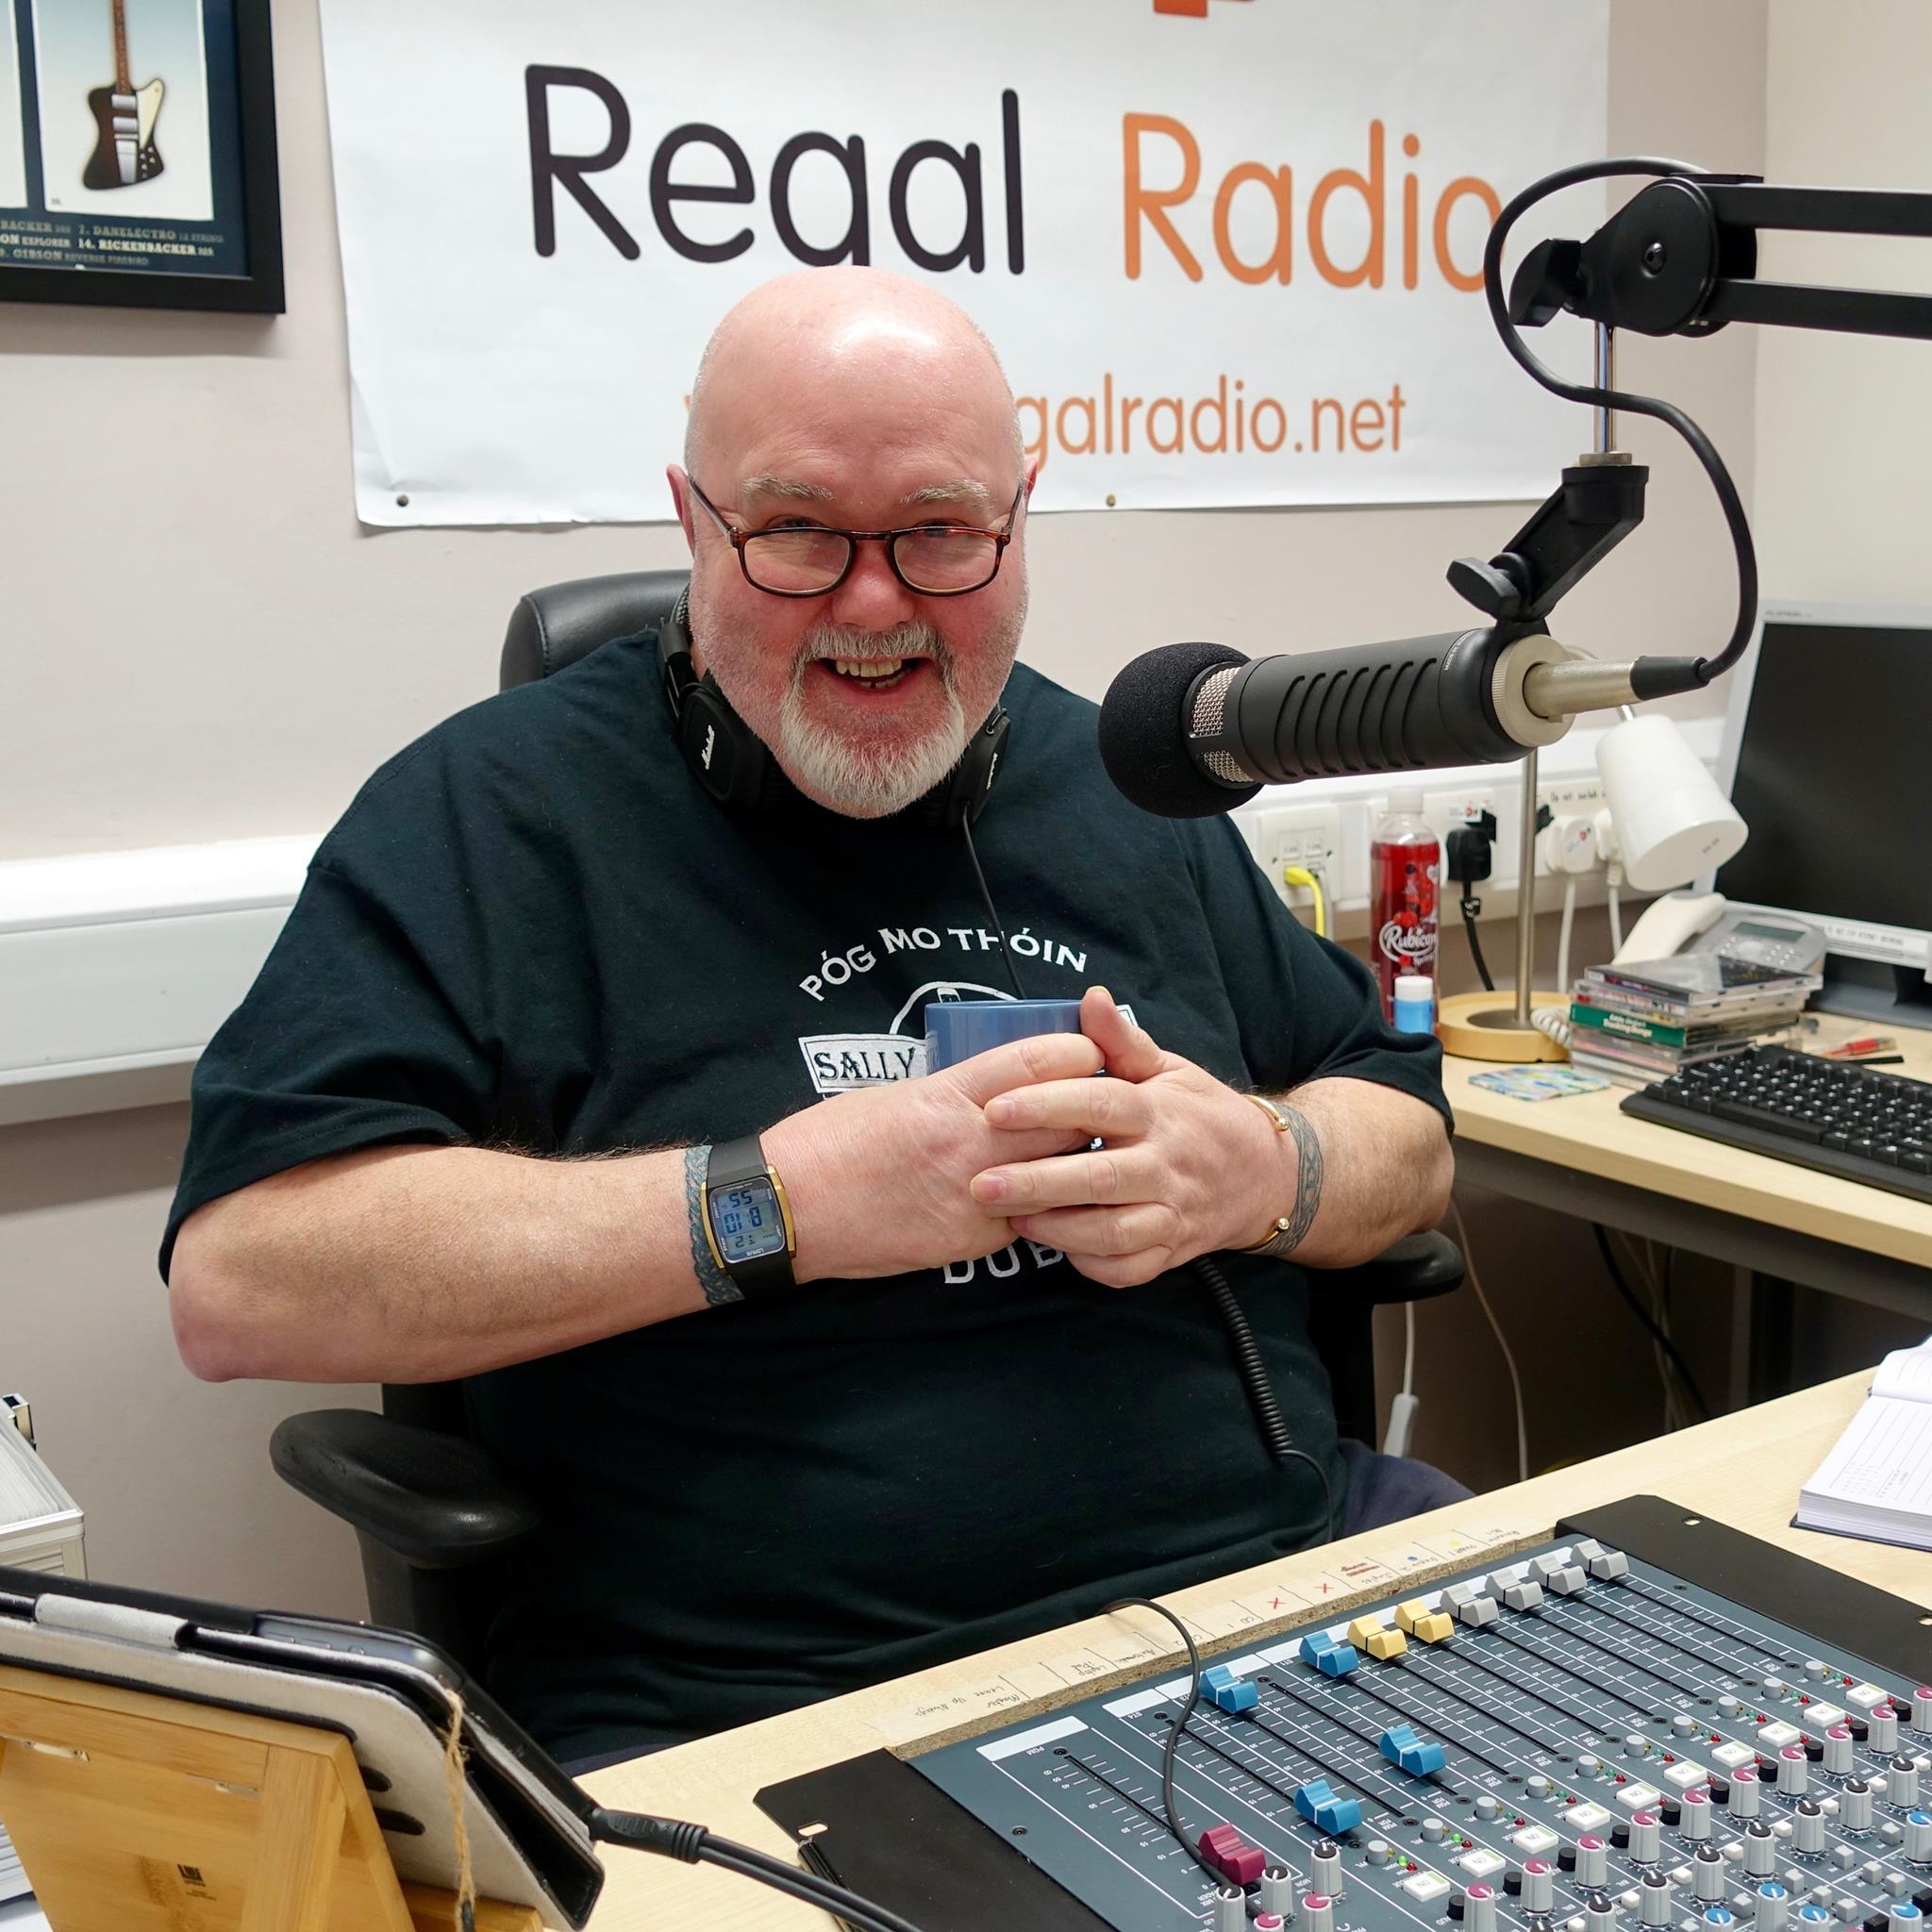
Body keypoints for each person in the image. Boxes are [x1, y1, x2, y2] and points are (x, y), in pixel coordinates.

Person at [163, 267, 1457, 1767]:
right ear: (691, 520)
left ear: (1017, 518)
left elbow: (1411, 1139)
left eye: (939, 532)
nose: (873, 602)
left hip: (1281, 1614)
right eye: (795, 533)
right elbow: (242, 1278)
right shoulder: (493, 818)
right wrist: (772, 1206)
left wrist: (1265, 1169)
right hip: (770, 1717)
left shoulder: (1129, 781)